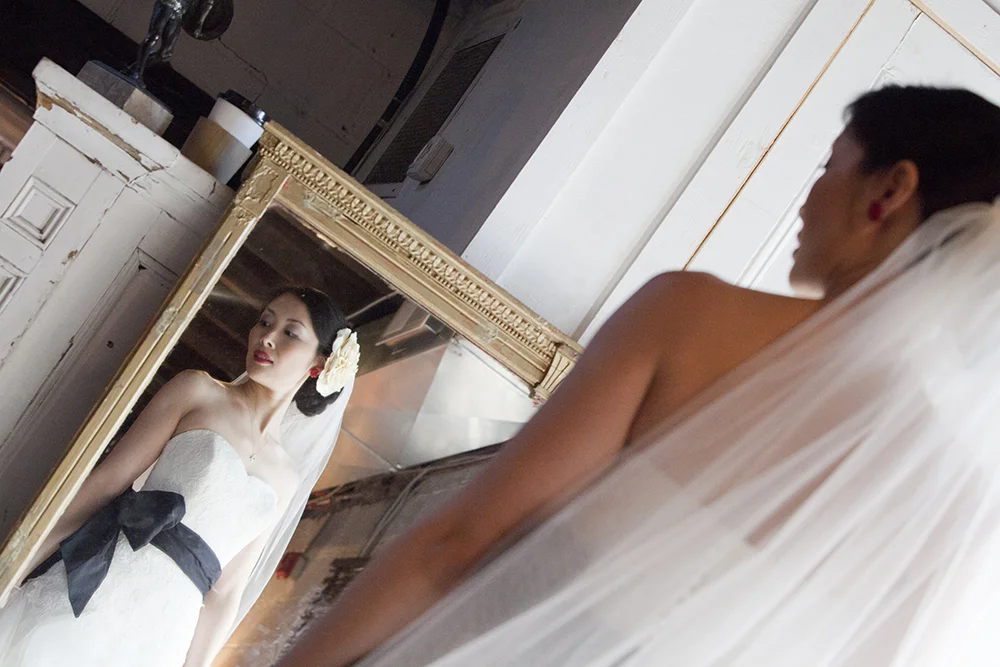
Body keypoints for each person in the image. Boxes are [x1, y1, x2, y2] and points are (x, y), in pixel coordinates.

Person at [279, 85, 1000, 667]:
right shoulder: (953, 498)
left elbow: (457, 544)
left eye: (828, 168)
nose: (808, 199)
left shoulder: (691, 319)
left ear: (889, 190)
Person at [0, 286, 360, 667]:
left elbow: (226, 593)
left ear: (319, 365)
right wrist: (13, 568)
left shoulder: (285, 477)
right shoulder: (198, 390)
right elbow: (106, 484)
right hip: (97, 589)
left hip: (161, 635)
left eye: (290, 332)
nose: (266, 336)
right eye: (265, 321)